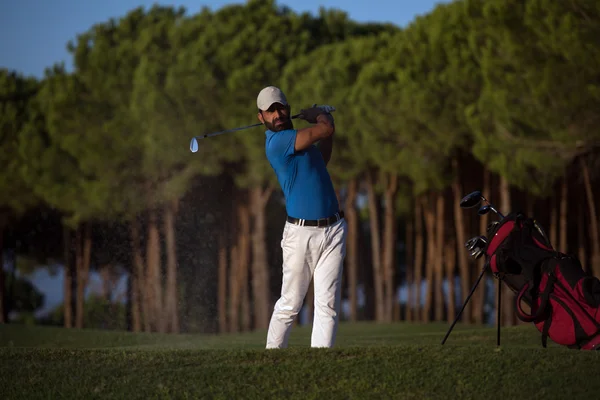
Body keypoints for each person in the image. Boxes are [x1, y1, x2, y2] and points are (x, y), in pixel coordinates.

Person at [256, 85, 348, 349]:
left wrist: (324, 126)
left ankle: (321, 363)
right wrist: (319, 114)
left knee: (327, 305)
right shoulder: (277, 143)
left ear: (287, 107)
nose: (277, 114)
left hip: (333, 229)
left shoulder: (299, 140)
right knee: (290, 304)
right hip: (301, 235)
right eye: (270, 111)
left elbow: (322, 159)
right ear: (261, 117)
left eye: (280, 107)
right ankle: (272, 359)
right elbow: (325, 128)